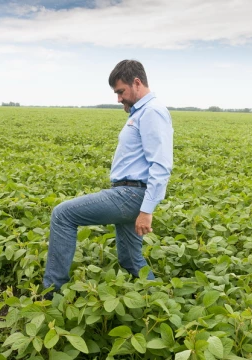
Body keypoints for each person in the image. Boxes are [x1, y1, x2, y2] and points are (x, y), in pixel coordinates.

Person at [42, 59, 173, 297]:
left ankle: (51, 294)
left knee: (62, 214)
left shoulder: (152, 112)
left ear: (137, 83)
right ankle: (160, 300)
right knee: (131, 260)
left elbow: (161, 165)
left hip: (130, 195)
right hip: (130, 193)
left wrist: (146, 210)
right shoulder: (141, 113)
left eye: (121, 91)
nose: (118, 98)